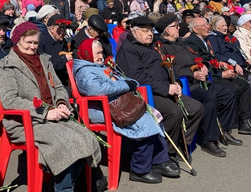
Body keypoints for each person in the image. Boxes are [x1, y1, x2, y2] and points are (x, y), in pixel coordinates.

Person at [0, 22, 103, 192]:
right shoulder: (6, 65)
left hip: (52, 115)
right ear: (18, 41)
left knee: (84, 135)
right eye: (28, 42)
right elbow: (10, 100)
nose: (33, 47)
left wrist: (62, 103)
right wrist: (45, 112)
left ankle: (67, 185)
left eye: (36, 42)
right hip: (24, 122)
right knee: (63, 141)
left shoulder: (44, 60)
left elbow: (60, 87)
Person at [74, 38, 180, 183]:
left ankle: (158, 159)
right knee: (144, 123)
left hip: (117, 103)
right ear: (87, 54)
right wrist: (126, 85)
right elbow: (96, 89)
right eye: (97, 53)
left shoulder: (98, 66)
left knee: (154, 115)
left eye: (101, 52)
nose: (101, 56)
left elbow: (119, 80)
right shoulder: (84, 71)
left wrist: (131, 83)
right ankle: (139, 169)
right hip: (99, 108)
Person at [115, 16, 204, 162]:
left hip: (164, 87)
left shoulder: (152, 45)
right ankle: (165, 153)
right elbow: (138, 78)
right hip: (146, 92)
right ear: (134, 32)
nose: (150, 34)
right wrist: (166, 87)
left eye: (151, 30)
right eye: (145, 31)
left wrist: (175, 83)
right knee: (173, 112)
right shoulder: (129, 49)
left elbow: (168, 66)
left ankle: (179, 144)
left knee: (196, 108)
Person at [157, 14, 241, 154]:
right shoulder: (162, 46)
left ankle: (224, 129)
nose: (179, 28)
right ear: (167, 30)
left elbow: (196, 57)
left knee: (229, 92)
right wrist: (192, 74)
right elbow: (171, 70)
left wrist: (204, 65)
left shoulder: (181, 42)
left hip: (200, 79)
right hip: (186, 84)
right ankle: (209, 139)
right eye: (175, 26)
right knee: (209, 98)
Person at [188, 16, 251, 135]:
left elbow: (239, 52)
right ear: (216, 27)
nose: (225, 28)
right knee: (242, 84)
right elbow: (217, 56)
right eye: (222, 26)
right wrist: (232, 64)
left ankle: (248, 118)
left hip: (239, 68)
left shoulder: (230, 38)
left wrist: (246, 60)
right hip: (222, 71)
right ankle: (243, 119)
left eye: (226, 25)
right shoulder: (212, 39)